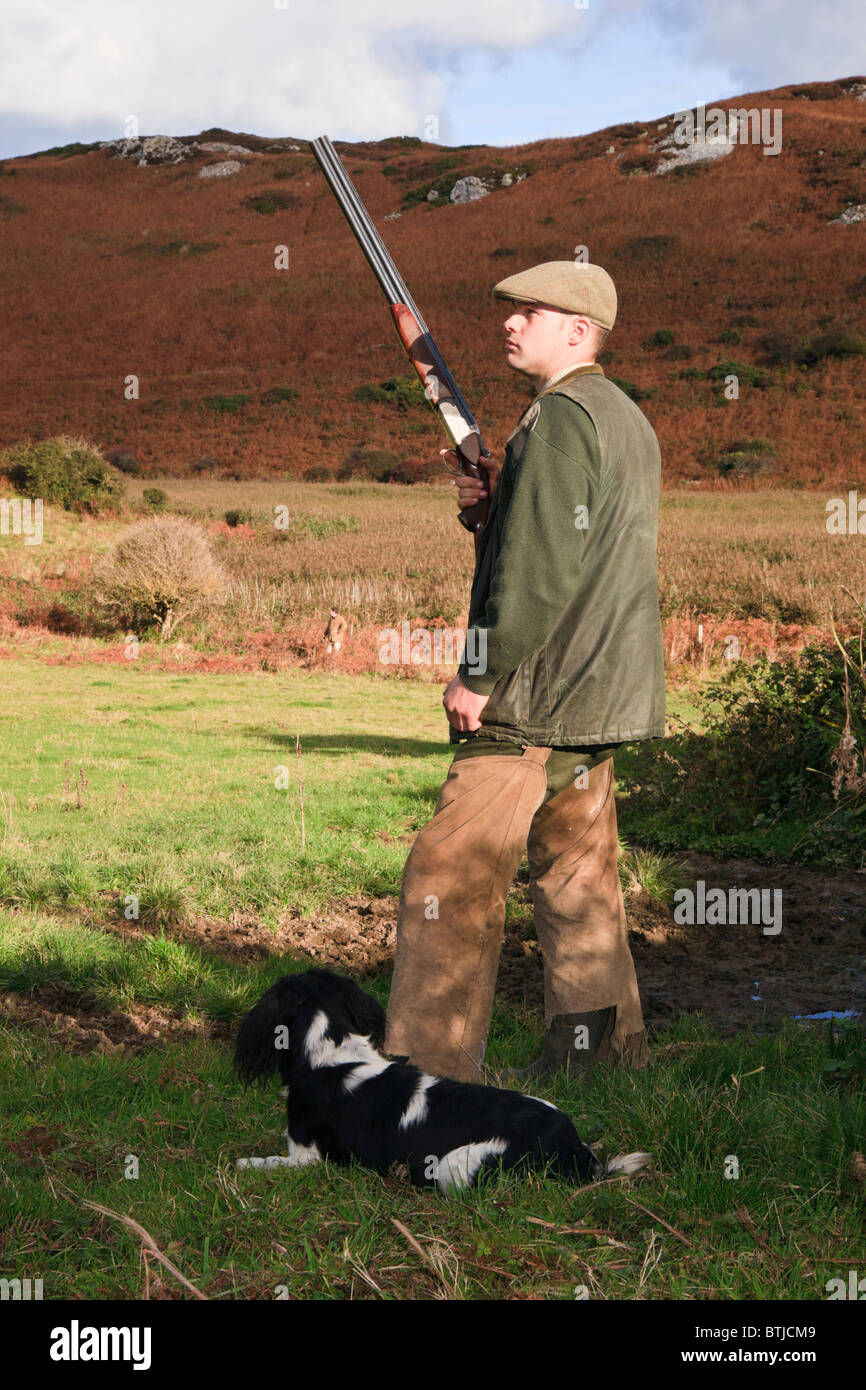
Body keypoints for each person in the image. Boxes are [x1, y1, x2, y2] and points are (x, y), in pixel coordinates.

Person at [384, 261, 665, 1083]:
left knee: (448, 880)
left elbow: (540, 575)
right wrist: (499, 501)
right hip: (596, 695)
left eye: (531, 313)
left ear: (578, 331)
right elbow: (583, 537)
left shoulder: (558, 420)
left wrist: (478, 671)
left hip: (533, 701)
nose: (510, 324)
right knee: (578, 886)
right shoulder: (619, 415)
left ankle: (425, 1082)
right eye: (511, 311)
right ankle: (603, 1061)